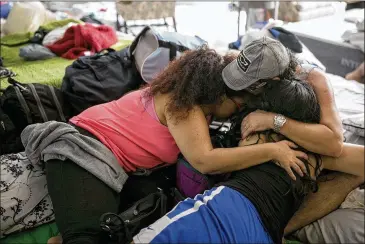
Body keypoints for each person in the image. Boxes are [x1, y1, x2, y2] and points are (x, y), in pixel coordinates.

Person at [24, 39, 309, 244]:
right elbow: (204, 160)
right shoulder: (182, 103)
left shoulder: (198, 91)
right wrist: (272, 150)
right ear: (220, 95)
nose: (238, 112)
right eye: (237, 106)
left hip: (123, 166)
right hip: (86, 149)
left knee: (147, 215)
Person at [133, 79, 364, 244]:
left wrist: (272, 123)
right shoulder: (312, 156)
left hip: (221, 213)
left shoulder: (258, 133)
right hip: (263, 235)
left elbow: (207, 161)